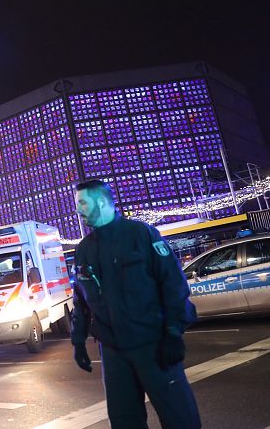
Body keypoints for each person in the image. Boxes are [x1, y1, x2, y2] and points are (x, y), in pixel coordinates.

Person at [70, 180, 201, 429]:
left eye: (82, 203)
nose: (78, 209)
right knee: (124, 422)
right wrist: (78, 341)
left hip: (153, 345)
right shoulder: (84, 250)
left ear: (100, 202)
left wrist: (174, 332)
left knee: (181, 419)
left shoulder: (142, 234)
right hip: (113, 353)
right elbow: (81, 300)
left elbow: (173, 285)